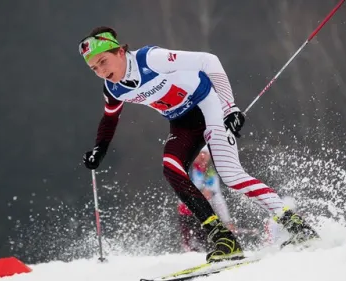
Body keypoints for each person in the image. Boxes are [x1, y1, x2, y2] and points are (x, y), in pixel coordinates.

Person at [80, 26, 319, 262]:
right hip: (182, 123)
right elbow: (110, 118)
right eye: (94, 68)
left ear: (120, 52)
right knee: (171, 168)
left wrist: (230, 108)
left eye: (103, 61)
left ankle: (296, 225)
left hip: (208, 106)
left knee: (231, 175)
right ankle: (223, 238)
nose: (101, 71)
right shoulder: (113, 89)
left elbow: (209, 61)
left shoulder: (150, 59)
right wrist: (100, 149)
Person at [178, 147, 234, 252]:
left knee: (208, 244)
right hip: (187, 214)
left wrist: (227, 221)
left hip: (203, 215)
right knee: (189, 246)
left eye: (205, 154)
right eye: (199, 153)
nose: (202, 156)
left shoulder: (211, 174)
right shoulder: (188, 169)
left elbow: (218, 201)